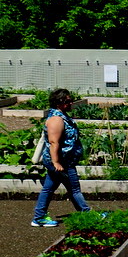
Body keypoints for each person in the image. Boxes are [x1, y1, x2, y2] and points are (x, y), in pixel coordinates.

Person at [33, 89, 93, 227]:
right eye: (67, 101)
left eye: (71, 100)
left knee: (49, 188)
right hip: (62, 162)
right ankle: (87, 213)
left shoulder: (62, 116)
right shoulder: (56, 119)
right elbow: (54, 142)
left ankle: (39, 217)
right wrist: (56, 162)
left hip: (64, 161)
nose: (71, 103)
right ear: (59, 102)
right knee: (74, 189)